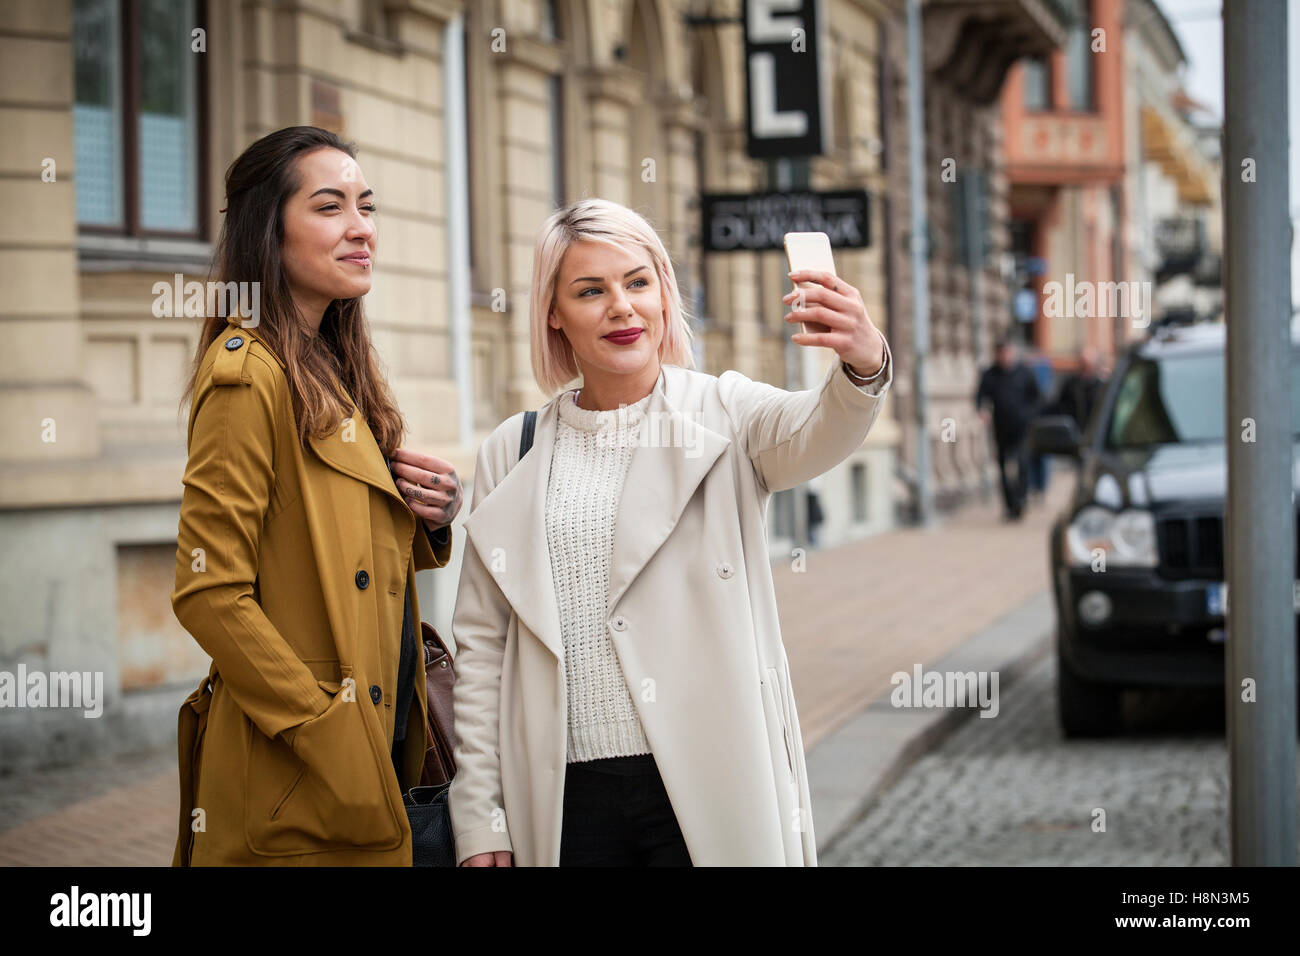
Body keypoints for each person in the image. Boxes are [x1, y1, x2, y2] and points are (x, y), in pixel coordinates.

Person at [449, 198, 893, 866]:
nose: (622, 307)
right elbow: (483, 649)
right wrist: (481, 817)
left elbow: (820, 430)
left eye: (637, 282)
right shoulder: (513, 450)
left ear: (663, 294)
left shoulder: (725, 413)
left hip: (704, 788)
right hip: (565, 798)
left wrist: (861, 363)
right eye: (590, 291)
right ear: (553, 313)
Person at [170, 126, 460, 866]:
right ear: (271, 230)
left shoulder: (331, 366)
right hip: (294, 775)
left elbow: (333, 555)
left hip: (369, 748)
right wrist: (324, 731)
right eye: (330, 208)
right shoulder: (248, 375)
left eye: (366, 206)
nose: (362, 228)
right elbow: (208, 589)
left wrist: (426, 517)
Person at [975, 338, 1041, 520]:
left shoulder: (1025, 373)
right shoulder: (990, 374)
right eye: (1001, 353)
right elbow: (980, 395)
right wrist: (982, 410)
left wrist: (1030, 415)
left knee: (1022, 464)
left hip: (1022, 427)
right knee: (1003, 467)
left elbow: (1037, 397)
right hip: (1001, 427)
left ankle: (1021, 500)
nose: (1005, 357)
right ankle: (1009, 505)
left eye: (1007, 353)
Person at [1045, 345, 1106, 433]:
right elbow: (1058, 409)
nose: (1084, 371)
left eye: (1087, 366)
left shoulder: (1102, 387)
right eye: (1082, 365)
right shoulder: (1070, 385)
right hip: (1073, 434)